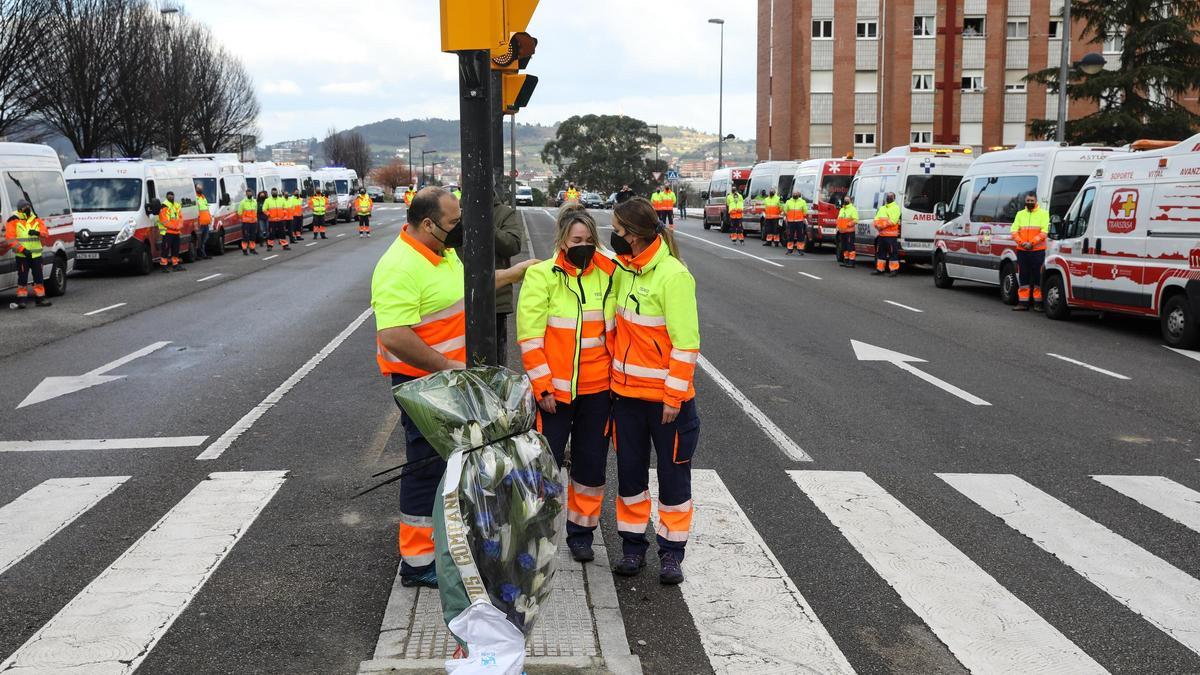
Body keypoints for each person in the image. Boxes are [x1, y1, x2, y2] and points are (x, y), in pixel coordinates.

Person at [371, 186, 537, 588]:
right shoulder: (400, 266)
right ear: (428, 224)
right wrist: (447, 364)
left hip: (446, 383)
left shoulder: (439, 254)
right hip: (423, 387)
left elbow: (467, 287)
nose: (460, 227)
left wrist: (515, 273)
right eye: (452, 222)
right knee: (425, 471)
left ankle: (449, 548)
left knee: (450, 468)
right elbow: (394, 334)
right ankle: (417, 561)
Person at [608, 197, 700, 586]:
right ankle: (632, 548)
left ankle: (671, 554)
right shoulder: (623, 270)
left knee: (673, 480)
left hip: (666, 403)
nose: (612, 236)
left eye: (616, 229)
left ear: (633, 234)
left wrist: (673, 397)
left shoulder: (673, 276)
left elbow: (686, 344)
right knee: (630, 477)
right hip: (625, 397)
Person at [516, 205, 615, 562]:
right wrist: (541, 387)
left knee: (590, 466)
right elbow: (530, 337)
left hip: (598, 391)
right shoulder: (542, 276)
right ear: (561, 239)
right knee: (545, 466)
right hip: (554, 394)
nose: (583, 245)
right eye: (577, 239)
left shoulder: (607, 275)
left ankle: (582, 534)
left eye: (589, 240)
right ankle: (537, 531)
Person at [493, 195, 526, 367]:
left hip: (496, 302)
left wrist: (484, 223)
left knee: (495, 365)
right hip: (454, 298)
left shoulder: (504, 213)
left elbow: (512, 245)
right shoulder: (454, 210)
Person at [4, 200, 51, 307]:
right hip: (22, 256)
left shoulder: (36, 219)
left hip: (36, 255)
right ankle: (21, 300)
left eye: (28, 206)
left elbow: (46, 234)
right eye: (25, 207)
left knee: (39, 278)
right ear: (20, 209)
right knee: (22, 279)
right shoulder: (13, 220)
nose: (28, 208)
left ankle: (40, 299)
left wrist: (37, 232)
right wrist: (22, 250)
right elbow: (10, 239)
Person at [1011, 192, 1050, 311]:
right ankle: (1023, 303)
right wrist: (1022, 243)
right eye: (1028, 201)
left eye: (1032, 201)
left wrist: (1031, 243)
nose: (1030, 203)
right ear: (1025, 201)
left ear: (1036, 201)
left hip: (1037, 251)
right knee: (1024, 276)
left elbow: (1044, 232)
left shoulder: (1044, 214)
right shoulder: (1020, 214)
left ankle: (1038, 303)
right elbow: (1013, 231)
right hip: (1022, 250)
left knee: (1038, 277)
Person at [872, 192, 902, 276]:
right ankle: (880, 269)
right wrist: (876, 225)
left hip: (891, 236)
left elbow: (893, 221)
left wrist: (881, 225)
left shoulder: (896, 208)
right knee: (881, 253)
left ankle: (894, 270)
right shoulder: (882, 208)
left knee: (893, 253)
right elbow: (876, 219)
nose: (888, 198)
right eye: (887, 196)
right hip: (881, 235)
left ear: (894, 198)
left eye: (890, 196)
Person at [158, 191, 185, 272]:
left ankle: (175, 265)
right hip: (167, 232)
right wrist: (175, 227)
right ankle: (163, 266)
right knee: (165, 249)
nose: (171, 197)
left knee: (175, 249)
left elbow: (180, 217)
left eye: (172, 196)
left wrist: (179, 226)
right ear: (166, 197)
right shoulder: (164, 206)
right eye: (169, 196)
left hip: (176, 232)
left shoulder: (176, 205)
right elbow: (164, 220)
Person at [836, 196, 859, 267]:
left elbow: (856, 220)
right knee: (844, 247)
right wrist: (838, 226)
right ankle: (846, 260)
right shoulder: (842, 209)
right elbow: (839, 219)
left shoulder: (853, 209)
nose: (846, 201)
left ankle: (851, 261)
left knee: (850, 247)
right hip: (842, 231)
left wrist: (848, 224)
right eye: (845, 200)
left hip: (849, 231)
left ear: (850, 201)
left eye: (847, 200)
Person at [784, 190, 808, 256]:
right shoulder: (788, 202)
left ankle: (800, 250)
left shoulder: (802, 202)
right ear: (792, 194)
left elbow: (805, 211)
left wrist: (803, 217)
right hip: (790, 221)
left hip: (799, 221)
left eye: (796, 193)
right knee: (790, 235)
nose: (795, 194)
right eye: (794, 193)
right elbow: (785, 210)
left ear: (798, 194)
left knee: (800, 235)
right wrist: (787, 217)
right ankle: (789, 249)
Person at [238, 188, 259, 255]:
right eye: (248, 193)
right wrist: (244, 219)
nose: (249, 194)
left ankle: (252, 249)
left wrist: (255, 219)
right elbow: (239, 212)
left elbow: (256, 211)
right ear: (246, 194)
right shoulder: (243, 202)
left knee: (253, 236)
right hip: (246, 223)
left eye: (250, 193)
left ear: (252, 193)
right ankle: (244, 249)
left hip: (253, 222)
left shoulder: (254, 201)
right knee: (245, 236)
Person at [195, 185, 212, 259]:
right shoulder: (195, 197)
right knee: (199, 240)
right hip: (200, 223)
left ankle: (202, 254)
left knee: (204, 239)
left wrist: (210, 218)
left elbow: (206, 209)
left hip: (206, 222)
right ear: (195, 189)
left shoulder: (203, 197)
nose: (200, 189)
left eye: (201, 188)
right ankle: (201, 254)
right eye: (198, 188)